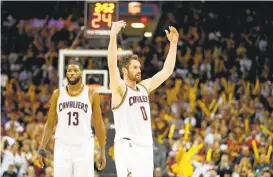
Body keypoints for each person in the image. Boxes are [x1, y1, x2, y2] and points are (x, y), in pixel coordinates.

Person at [107, 20, 178, 177]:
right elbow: (112, 66)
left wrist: (173, 44)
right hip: (127, 145)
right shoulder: (120, 89)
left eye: (139, 67)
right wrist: (113, 36)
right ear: (125, 70)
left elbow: (166, 71)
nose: (139, 70)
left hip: (146, 146)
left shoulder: (144, 87)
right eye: (135, 67)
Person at [36, 61, 106, 177]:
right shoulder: (57, 94)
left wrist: (102, 151)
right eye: (69, 70)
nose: (72, 73)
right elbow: (50, 124)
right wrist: (41, 148)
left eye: (75, 70)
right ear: (66, 73)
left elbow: (99, 124)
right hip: (62, 147)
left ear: (81, 73)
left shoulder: (92, 94)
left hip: (84, 147)